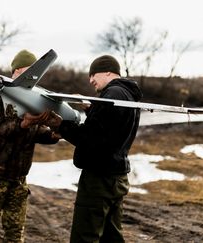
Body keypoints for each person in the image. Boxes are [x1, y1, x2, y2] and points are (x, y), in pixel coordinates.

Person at [43, 55, 142, 242]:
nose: (90, 80)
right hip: (117, 176)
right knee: (111, 236)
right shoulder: (127, 95)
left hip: (100, 178)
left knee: (85, 236)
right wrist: (91, 109)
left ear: (107, 72)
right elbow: (111, 130)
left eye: (93, 75)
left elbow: (91, 138)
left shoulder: (112, 95)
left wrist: (61, 126)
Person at [0, 50, 59, 243]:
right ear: (16, 71)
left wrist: (54, 133)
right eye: (28, 71)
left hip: (17, 179)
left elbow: (36, 132)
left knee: (15, 234)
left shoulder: (33, 97)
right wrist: (25, 123)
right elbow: (0, 131)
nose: (33, 77)